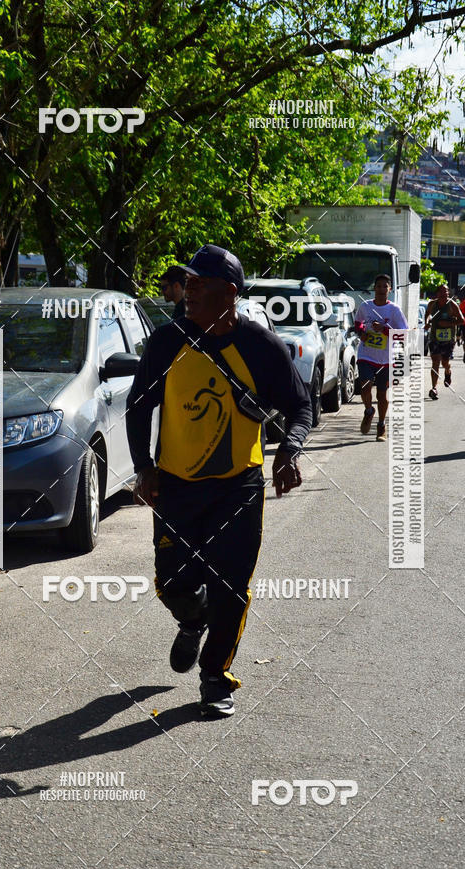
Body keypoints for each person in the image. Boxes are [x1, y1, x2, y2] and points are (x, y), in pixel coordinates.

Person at [126, 244, 312, 718]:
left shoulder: (261, 347)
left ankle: (215, 676)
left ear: (228, 293)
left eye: (197, 284)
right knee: (172, 584)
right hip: (176, 486)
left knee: (232, 586)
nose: (185, 291)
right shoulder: (167, 341)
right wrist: (143, 465)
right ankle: (192, 621)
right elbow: (138, 405)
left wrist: (289, 450)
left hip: (238, 486)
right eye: (185, 283)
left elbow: (301, 406)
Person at [354, 274, 408, 441]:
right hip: (366, 354)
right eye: (378, 286)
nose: (382, 289)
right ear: (374, 288)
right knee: (365, 387)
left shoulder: (394, 310)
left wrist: (384, 330)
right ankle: (369, 411)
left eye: (385, 286)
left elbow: (403, 333)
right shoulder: (365, 306)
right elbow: (358, 323)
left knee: (382, 395)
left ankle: (381, 425)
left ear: (389, 289)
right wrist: (362, 332)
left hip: (386, 358)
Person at [425, 285, 464, 399]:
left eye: (446, 291)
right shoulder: (432, 304)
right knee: (435, 361)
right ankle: (434, 388)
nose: (444, 293)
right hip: (434, 337)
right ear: (437, 293)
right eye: (441, 291)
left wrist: (449, 324)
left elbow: (462, 320)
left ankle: (447, 371)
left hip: (448, 338)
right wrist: (427, 322)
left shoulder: (452, 305)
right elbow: (427, 314)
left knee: (445, 362)